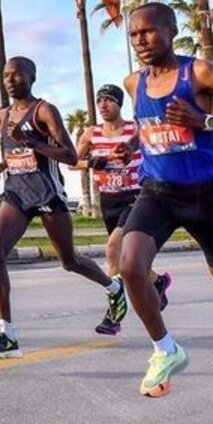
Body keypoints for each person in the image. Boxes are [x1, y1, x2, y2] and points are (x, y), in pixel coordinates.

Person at [114, 2, 213, 402]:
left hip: (204, 195)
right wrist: (131, 144)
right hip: (158, 193)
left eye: (149, 31)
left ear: (171, 30)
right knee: (129, 265)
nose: (141, 41)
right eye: (134, 35)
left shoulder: (199, 73)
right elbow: (150, 125)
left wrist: (204, 120)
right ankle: (166, 350)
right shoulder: (133, 83)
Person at [0, 56, 125, 360]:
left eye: (17, 75)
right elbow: (14, 152)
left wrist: (32, 141)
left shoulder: (44, 110)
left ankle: (113, 288)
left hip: (47, 194)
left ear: (32, 78)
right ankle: (7, 334)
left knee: (69, 261)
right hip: (16, 192)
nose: (10, 80)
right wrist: (1, 165)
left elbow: (70, 156)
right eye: (6, 75)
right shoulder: (2, 115)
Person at [72, 84, 172, 335]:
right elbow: (72, 161)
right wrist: (90, 162)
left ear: (119, 104)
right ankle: (157, 280)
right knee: (124, 259)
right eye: (100, 101)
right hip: (109, 200)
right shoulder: (91, 133)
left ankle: (113, 316)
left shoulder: (134, 129)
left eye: (109, 100)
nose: (103, 105)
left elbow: (157, 148)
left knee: (113, 249)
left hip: (135, 196)